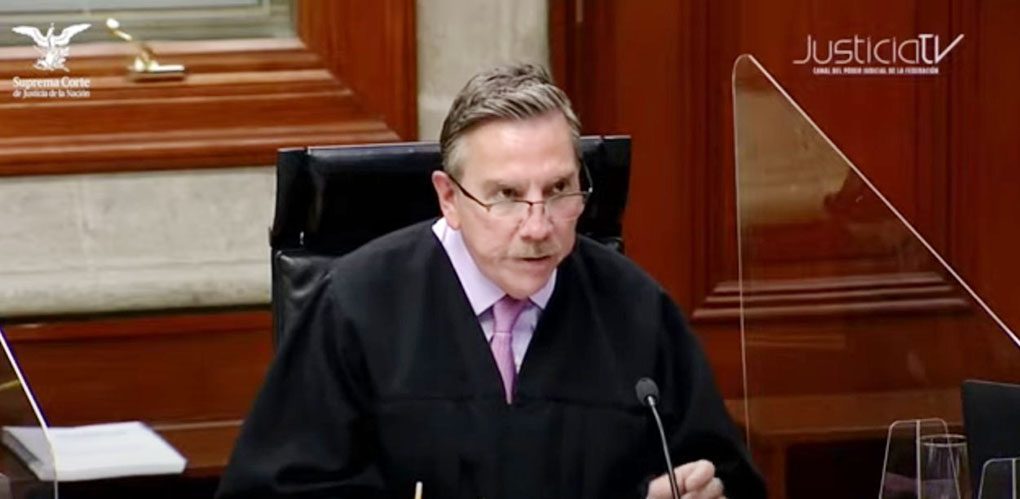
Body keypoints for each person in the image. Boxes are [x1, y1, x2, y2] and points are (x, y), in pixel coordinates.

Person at [217, 63, 765, 499]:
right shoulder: (356, 307)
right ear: (449, 198)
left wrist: (698, 488)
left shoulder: (636, 311)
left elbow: (720, 472)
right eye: (507, 195)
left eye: (559, 190)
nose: (538, 227)